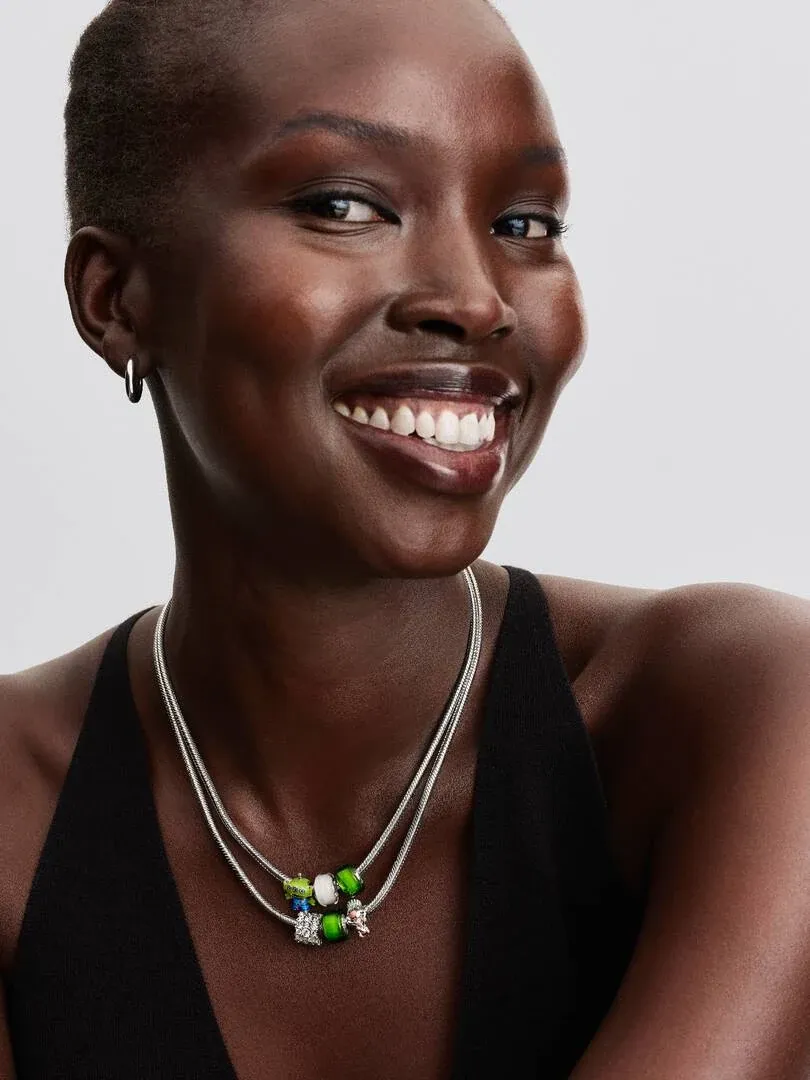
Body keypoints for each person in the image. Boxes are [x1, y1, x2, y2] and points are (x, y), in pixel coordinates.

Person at [2, 0, 810, 1076]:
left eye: (526, 224)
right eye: (346, 205)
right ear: (115, 298)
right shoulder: (17, 809)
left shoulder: (743, 714)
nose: (476, 300)